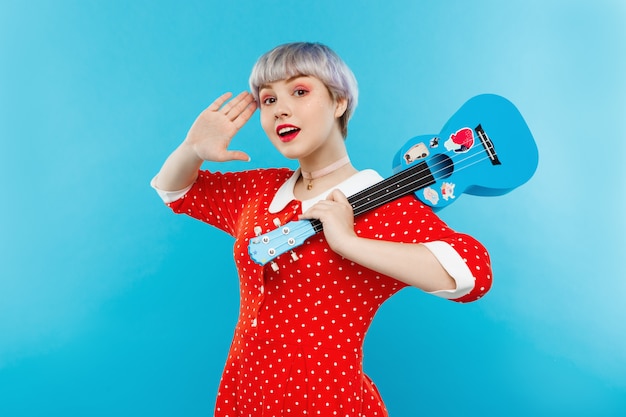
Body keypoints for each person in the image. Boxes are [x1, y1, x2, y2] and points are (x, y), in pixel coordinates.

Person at [151, 42, 492, 417]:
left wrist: (348, 242)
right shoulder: (261, 190)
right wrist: (192, 148)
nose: (280, 108)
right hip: (243, 392)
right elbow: (177, 191)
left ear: (339, 102)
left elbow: (473, 273)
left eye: (300, 91)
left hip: (323, 399)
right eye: (268, 100)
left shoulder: (381, 205)